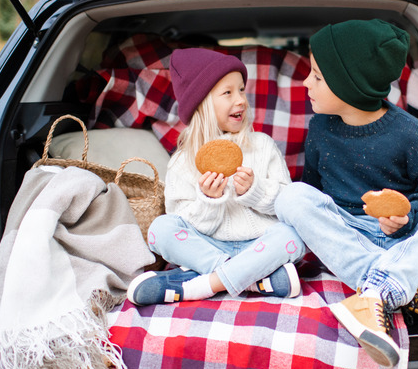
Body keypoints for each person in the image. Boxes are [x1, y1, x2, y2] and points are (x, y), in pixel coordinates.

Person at [275, 19, 418, 367]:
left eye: (316, 75)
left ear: (349, 83)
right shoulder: (319, 128)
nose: (305, 82)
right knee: (291, 197)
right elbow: (313, 196)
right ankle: (412, 288)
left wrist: (406, 218)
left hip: (406, 238)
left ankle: (374, 295)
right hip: (348, 237)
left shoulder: (412, 134)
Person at [127, 48, 306, 306]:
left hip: (259, 246)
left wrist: (254, 192)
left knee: (294, 234)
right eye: (228, 93)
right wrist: (209, 201)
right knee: (159, 230)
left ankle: (202, 285)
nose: (241, 100)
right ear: (202, 103)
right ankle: (253, 280)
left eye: (242, 90)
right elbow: (181, 221)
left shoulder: (263, 145)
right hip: (208, 250)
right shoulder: (183, 160)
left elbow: (287, 207)